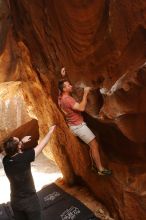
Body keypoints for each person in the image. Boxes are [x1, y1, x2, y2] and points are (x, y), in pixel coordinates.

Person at [58, 67, 111, 176]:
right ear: (64, 89)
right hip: (79, 127)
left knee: (92, 142)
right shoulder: (67, 100)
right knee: (94, 144)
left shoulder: (60, 97)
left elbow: (60, 87)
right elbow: (81, 108)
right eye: (68, 86)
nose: (71, 86)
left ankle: (93, 165)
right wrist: (86, 93)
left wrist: (63, 76)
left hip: (74, 125)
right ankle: (100, 169)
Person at [2, 125, 56, 220]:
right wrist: (50, 131)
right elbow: (42, 144)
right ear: (18, 146)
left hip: (15, 201)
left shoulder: (6, 160)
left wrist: (21, 142)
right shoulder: (25, 158)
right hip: (30, 201)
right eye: (18, 141)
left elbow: (13, 150)